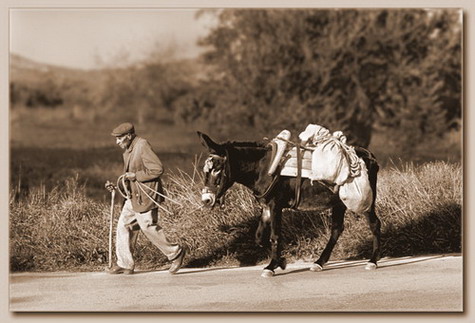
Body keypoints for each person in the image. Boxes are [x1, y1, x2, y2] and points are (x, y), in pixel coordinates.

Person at [105, 122, 186, 275]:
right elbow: (129, 176)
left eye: (119, 138)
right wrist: (118, 187)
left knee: (147, 226)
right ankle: (125, 263)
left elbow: (157, 169)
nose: (117, 142)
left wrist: (136, 176)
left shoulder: (142, 145)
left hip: (146, 196)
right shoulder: (129, 149)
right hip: (133, 197)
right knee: (123, 225)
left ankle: (176, 252)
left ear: (128, 136)